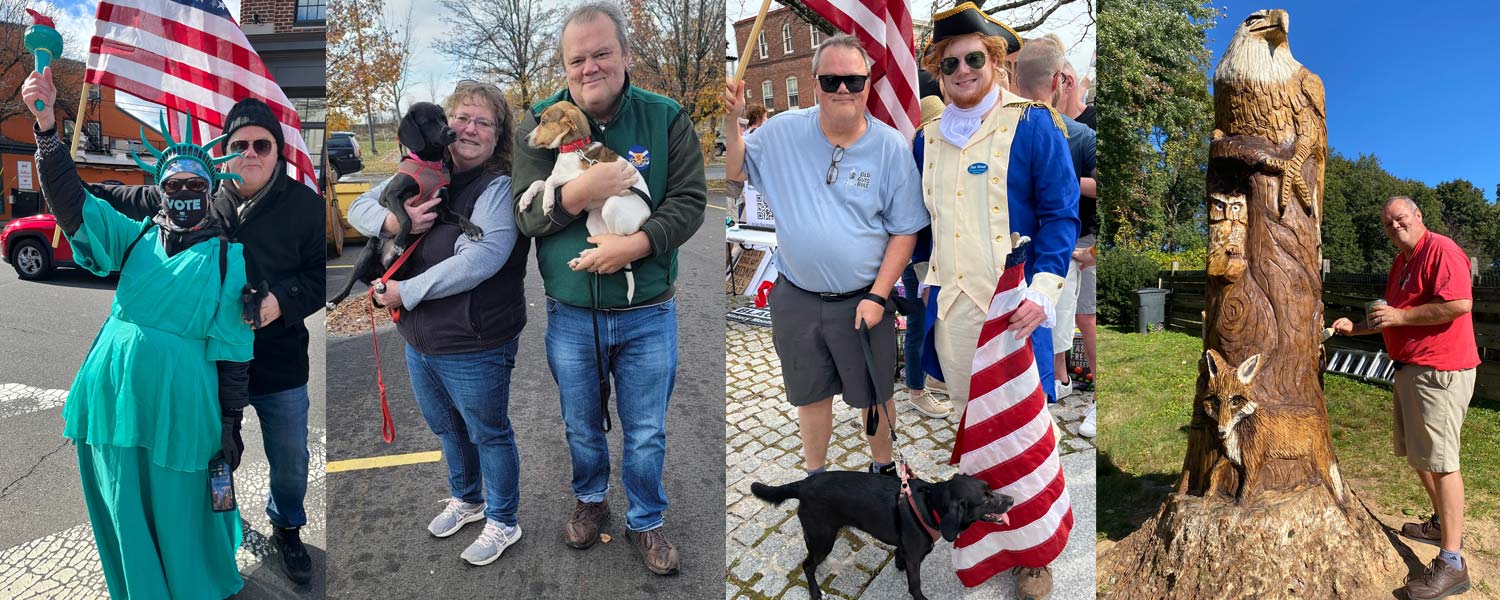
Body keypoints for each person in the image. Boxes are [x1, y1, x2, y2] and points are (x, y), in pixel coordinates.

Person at [25, 67, 254, 599]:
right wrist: (47, 132)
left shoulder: (228, 259)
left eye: (196, 186)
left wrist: (231, 424)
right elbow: (74, 205)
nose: (185, 194)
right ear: (160, 191)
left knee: (183, 504)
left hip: (183, 406)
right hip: (114, 395)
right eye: (174, 186)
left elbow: (234, 352)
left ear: (211, 191)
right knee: (123, 500)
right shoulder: (133, 238)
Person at [85, 97, 325, 585]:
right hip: (204, 368)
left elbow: (322, 276)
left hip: (276, 361)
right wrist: (76, 182)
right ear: (225, 152)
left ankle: (287, 527)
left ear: (278, 151)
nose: (251, 153)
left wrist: (281, 301)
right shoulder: (201, 190)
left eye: (262, 144)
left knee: (289, 458)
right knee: (213, 459)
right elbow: (133, 196)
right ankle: (218, 531)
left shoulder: (307, 207)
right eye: (241, 144)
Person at [511, 2, 707, 575]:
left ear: (625, 54)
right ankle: (591, 500)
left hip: (648, 312)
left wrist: (636, 245)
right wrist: (580, 192)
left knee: (646, 430)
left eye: (601, 53)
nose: (589, 67)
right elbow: (526, 216)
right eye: (577, 59)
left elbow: (690, 202)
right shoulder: (539, 122)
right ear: (565, 66)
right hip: (571, 312)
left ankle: (646, 519)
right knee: (580, 423)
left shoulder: (664, 117)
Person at [919, 5, 1079, 597]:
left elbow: (1061, 214)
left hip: (1016, 311)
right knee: (975, 426)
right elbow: (919, 225)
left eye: (973, 58)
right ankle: (985, 534)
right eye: (950, 62)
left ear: (995, 62)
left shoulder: (1034, 124)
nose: (962, 70)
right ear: (938, 70)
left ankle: (1034, 551)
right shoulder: (925, 138)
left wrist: (1045, 288)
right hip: (956, 311)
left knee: (1024, 432)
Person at [724, 34, 929, 477]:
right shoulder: (781, 132)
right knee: (810, 395)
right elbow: (735, 169)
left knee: (875, 395)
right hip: (797, 297)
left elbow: (905, 230)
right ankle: (815, 481)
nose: (842, 89)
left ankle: (883, 472)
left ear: (868, 83)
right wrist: (731, 120)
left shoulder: (890, 147)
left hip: (864, 301)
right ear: (814, 82)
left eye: (853, 80)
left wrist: (878, 296)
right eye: (831, 79)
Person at [347, 81, 530, 566]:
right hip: (420, 339)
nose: (469, 129)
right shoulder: (426, 171)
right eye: (462, 118)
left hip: (476, 340)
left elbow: (480, 259)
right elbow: (358, 207)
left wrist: (404, 291)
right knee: (447, 427)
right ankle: (468, 500)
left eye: (483, 122)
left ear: (498, 135)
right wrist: (393, 222)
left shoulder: (499, 186)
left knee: (488, 432)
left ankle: (504, 520)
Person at [1331, 196, 1479, 600]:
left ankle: (1453, 563)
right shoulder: (1401, 263)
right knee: (1421, 456)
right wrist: (1357, 327)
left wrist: (1399, 317)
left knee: (1443, 463)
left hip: (1440, 371)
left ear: (1418, 216)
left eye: (1400, 218)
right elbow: (1391, 317)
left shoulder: (1441, 249)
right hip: (1411, 370)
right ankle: (1440, 525)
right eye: (1388, 224)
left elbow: (1458, 304)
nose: (1395, 226)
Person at [1014, 35, 1098, 418]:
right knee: (1059, 324)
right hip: (1053, 253)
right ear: (1057, 82)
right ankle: (1054, 387)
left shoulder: (993, 131)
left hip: (1025, 260)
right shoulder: (1069, 132)